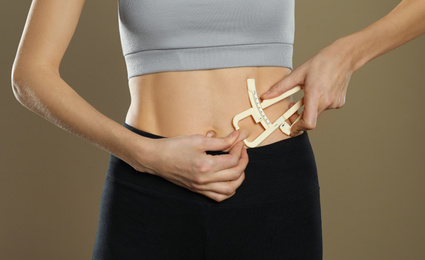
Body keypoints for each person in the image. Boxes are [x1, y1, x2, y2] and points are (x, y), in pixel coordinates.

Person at [11, 0, 425, 259]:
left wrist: (347, 55)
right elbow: (30, 73)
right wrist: (142, 153)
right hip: (149, 180)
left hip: (273, 189)